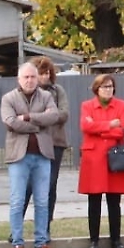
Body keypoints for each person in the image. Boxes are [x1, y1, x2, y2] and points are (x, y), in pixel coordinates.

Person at [1, 61, 63, 248]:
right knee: (17, 201)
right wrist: (38, 124)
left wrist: (27, 117)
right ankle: (18, 244)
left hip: (43, 155)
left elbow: (54, 116)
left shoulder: (46, 96)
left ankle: (41, 244)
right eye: (26, 77)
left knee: (43, 202)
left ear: (37, 79)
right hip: (19, 157)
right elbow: (10, 122)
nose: (29, 80)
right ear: (19, 79)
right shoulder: (8, 98)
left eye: (32, 77)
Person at [78, 73, 124, 248]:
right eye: (104, 86)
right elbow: (86, 127)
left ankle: (116, 239)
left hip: (114, 158)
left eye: (110, 86)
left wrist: (99, 128)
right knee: (94, 201)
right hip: (94, 159)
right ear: (97, 89)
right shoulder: (87, 106)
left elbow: (123, 130)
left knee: (114, 201)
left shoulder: (121, 105)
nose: (108, 90)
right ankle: (94, 240)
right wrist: (109, 125)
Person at [33, 57, 71, 225]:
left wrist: (41, 117)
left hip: (56, 142)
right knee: (28, 186)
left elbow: (63, 114)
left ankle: (46, 222)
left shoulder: (57, 90)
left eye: (48, 72)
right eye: (42, 73)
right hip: (35, 142)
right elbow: (25, 116)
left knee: (51, 183)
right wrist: (47, 116)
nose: (46, 76)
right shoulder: (29, 91)